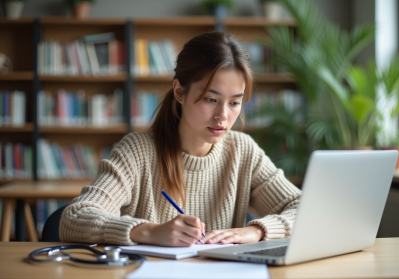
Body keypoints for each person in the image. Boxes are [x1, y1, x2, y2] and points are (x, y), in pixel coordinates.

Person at [60, 31, 301, 247]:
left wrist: (257, 231)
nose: (223, 116)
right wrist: (148, 231)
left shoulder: (243, 151)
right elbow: (73, 219)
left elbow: (305, 209)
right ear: (179, 92)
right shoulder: (138, 152)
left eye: (235, 102)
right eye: (210, 99)